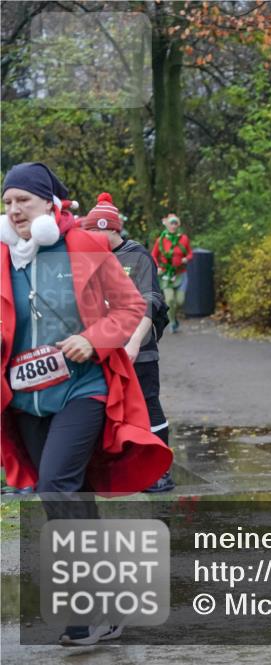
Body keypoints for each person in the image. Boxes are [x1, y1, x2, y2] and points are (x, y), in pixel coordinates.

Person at [1, 163, 172, 646]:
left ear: (49, 206)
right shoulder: (1, 255)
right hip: (25, 399)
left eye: (24, 202)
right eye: (8, 202)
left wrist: (92, 339)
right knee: (66, 494)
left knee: (57, 485)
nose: (14, 211)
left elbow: (131, 307)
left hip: (83, 388)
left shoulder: (84, 245)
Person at [79, 192, 175, 493]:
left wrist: (134, 344)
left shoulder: (137, 255)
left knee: (148, 404)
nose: (89, 236)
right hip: (103, 349)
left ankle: (161, 473)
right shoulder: (89, 257)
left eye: (94, 230)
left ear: (111, 228)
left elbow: (151, 301)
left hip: (139, 349)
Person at [151, 213, 192, 333]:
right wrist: (156, 266)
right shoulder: (161, 240)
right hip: (166, 274)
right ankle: (172, 322)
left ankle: (173, 317)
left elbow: (190, 253)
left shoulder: (183, 239)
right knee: (169, 300)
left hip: (181, 273)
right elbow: (154, 255)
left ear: (178, 225)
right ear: (167, 225)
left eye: (175, 223)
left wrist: (186, 259)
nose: (173, 226)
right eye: (171, 223)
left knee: (179, 300)